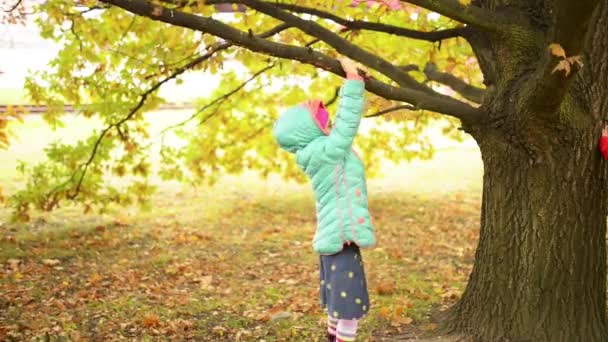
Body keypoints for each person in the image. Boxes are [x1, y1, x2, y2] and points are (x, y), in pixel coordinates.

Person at [272, 58, 376, 342]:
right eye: (323, 123)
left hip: (334, 235)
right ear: (309, 132)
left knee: (339, 296)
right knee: (349, 303)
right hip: (340, 235)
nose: (329, 124)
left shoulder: (316, 152)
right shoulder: (326, 151)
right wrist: (353, 82)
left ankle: (333, 336)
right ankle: (343, 338)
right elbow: (348, 122)